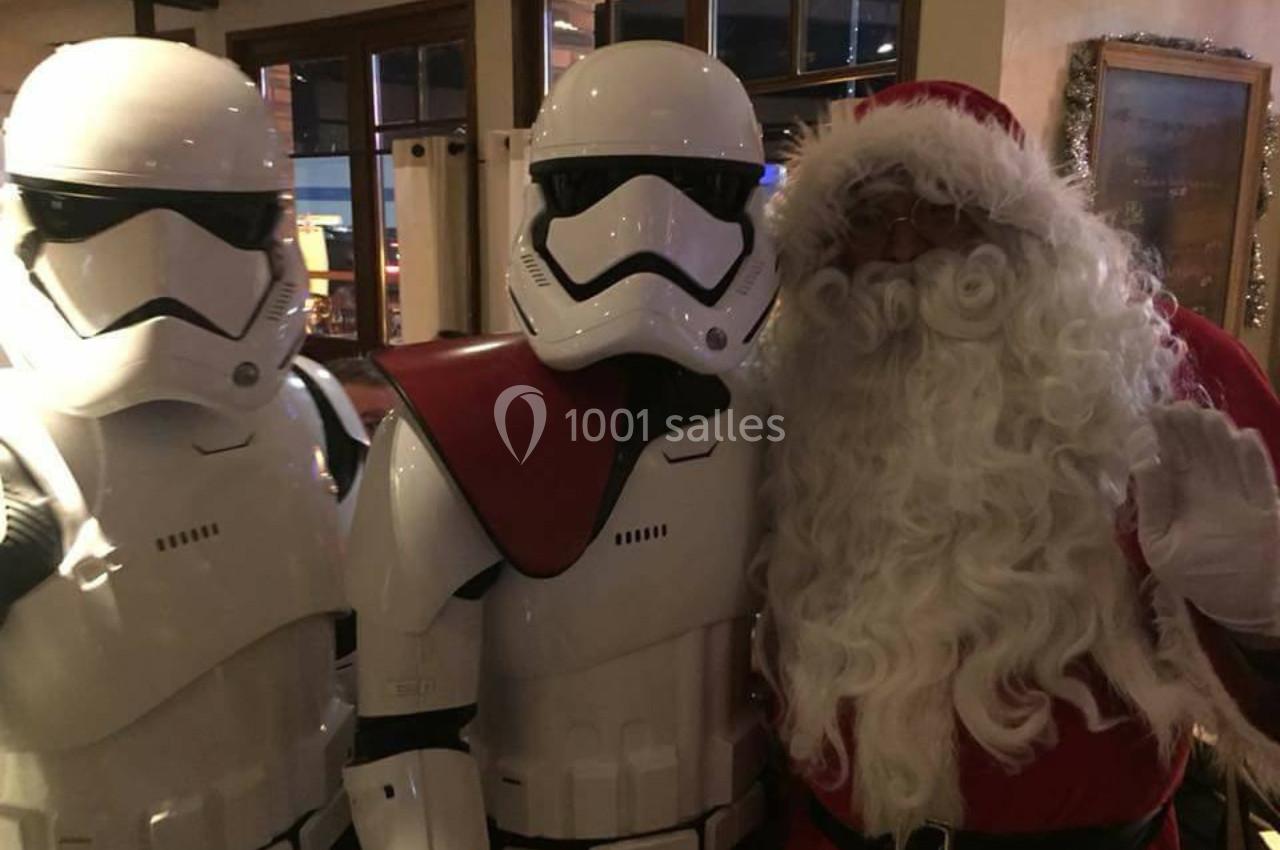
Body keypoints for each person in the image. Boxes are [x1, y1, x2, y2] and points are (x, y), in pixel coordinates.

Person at [758, 80, 1280, 849]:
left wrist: (1262, 625)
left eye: (943, 207)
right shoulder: (793, 390)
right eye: (868, 218)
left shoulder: (1178, 372)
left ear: (1029, 226)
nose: (904, 249)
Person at [341, 41, 780, 849]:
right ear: (543, 200)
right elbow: (406, 736)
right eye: (595, 188)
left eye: (699, 190)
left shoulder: (773, 406)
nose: (649, 228)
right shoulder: (458, 422)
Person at [0, 38, 367, 848]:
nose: (164, 261)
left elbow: (362, 655)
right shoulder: (12, 460)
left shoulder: (314, 409)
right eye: (90, 213)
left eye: (218, 220)